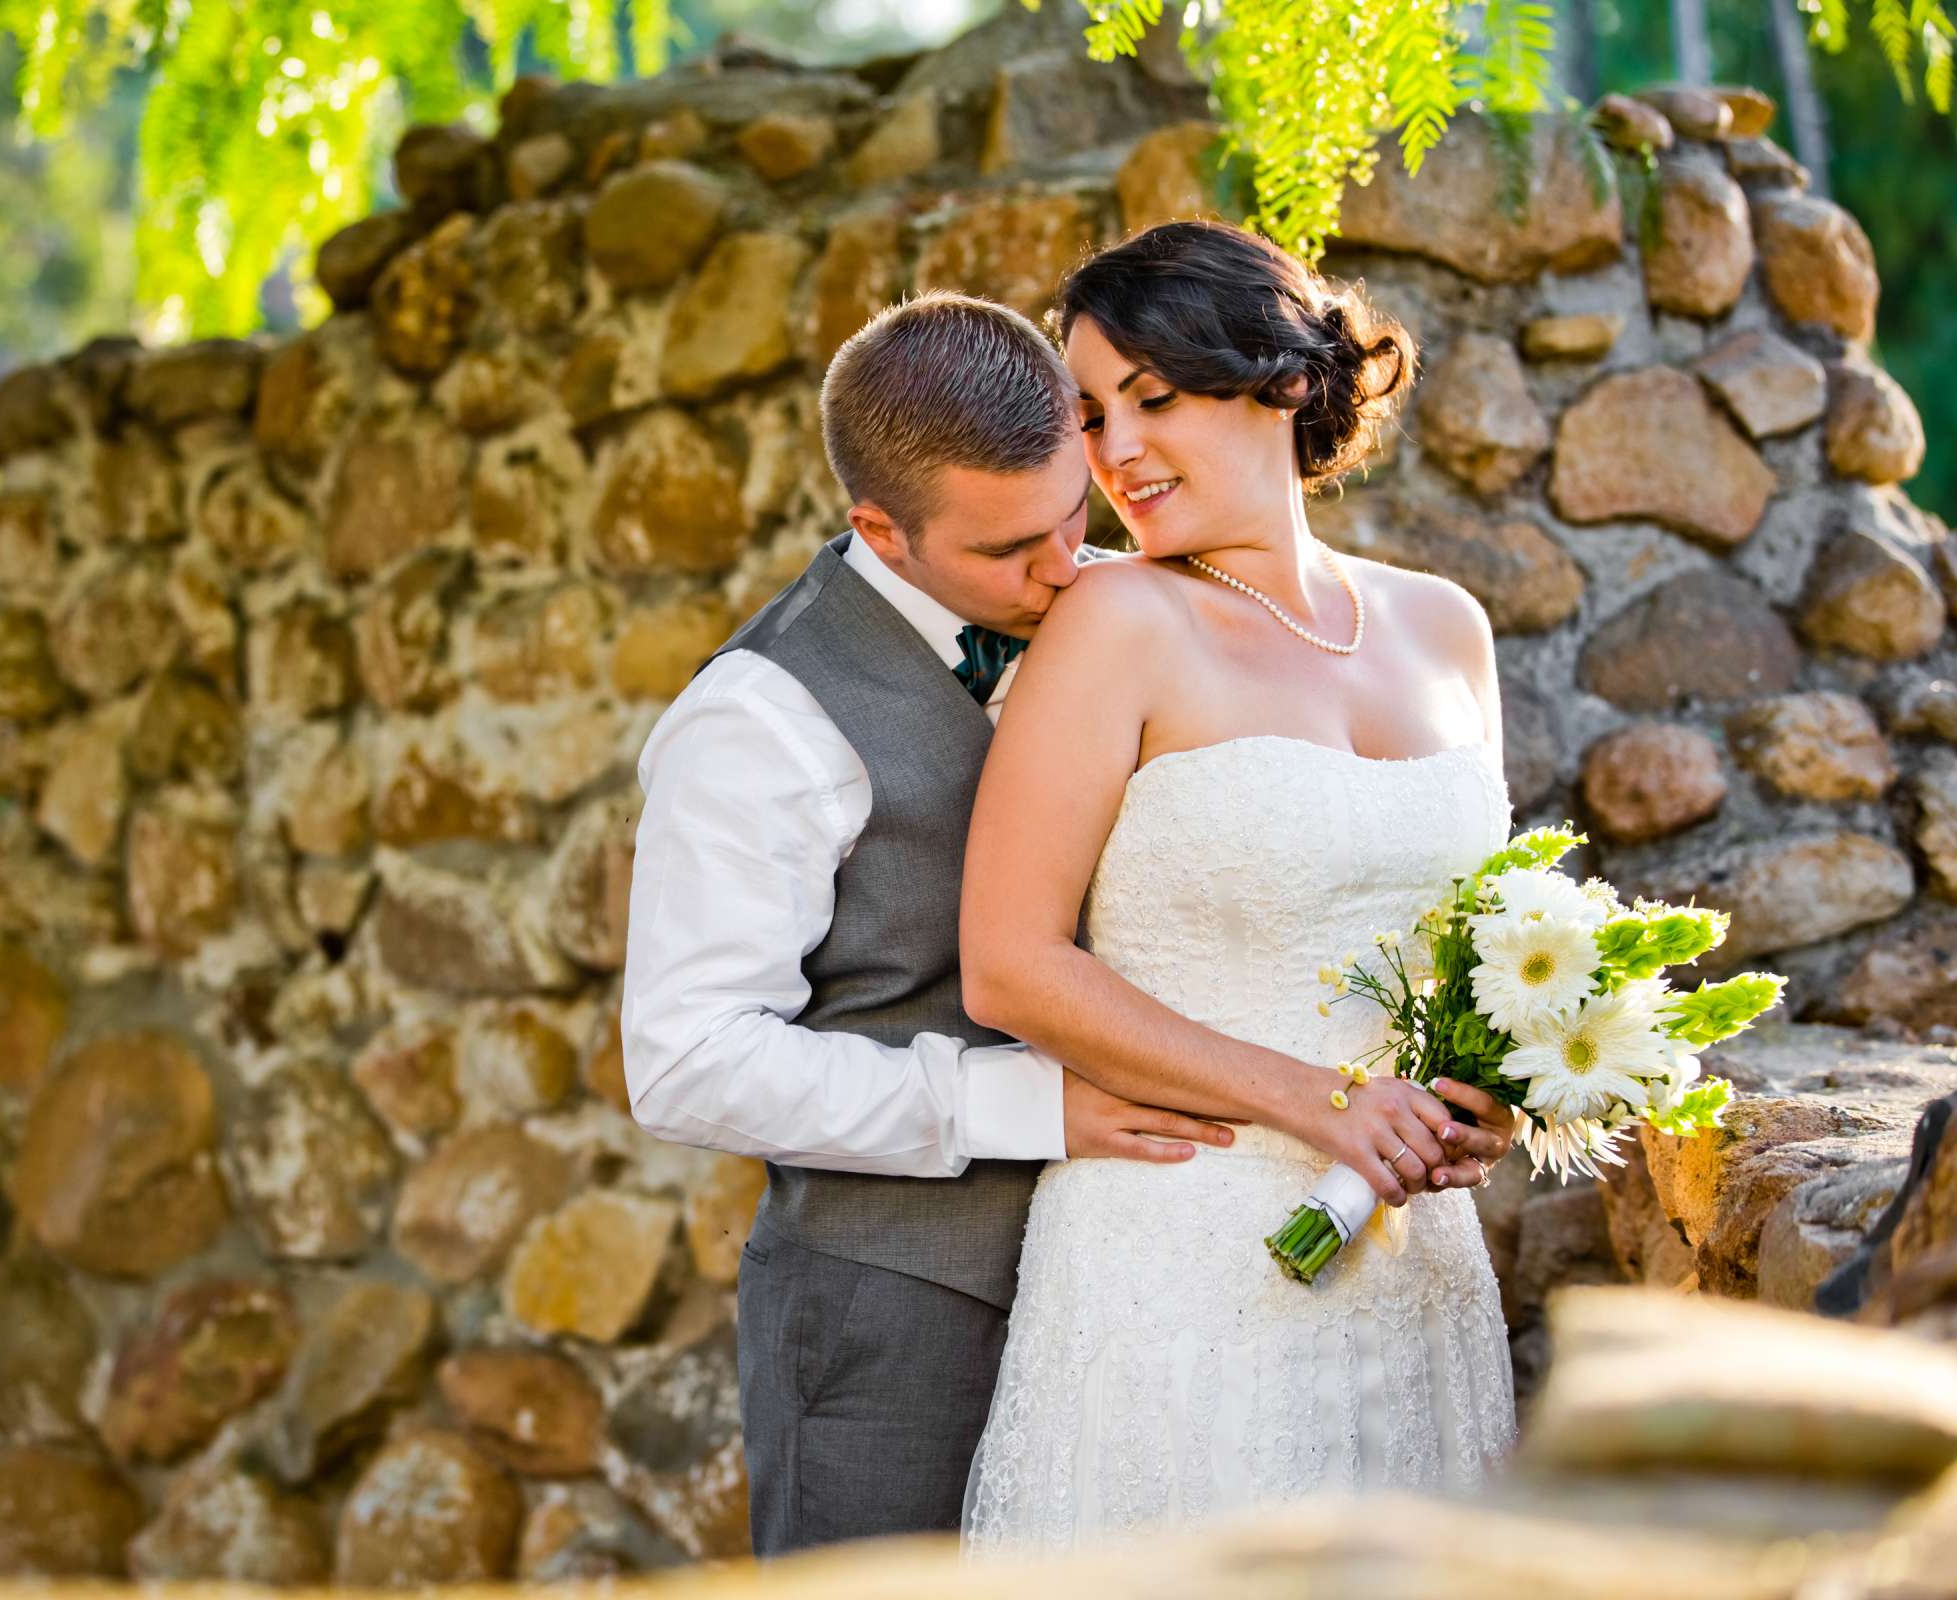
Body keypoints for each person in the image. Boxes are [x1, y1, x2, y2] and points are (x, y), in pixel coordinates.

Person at [621, 285, 1511, 1556]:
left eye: (1069, 515)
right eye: (1007, 554)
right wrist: (1020, 1104)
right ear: (880, 526)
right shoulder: (757, 721)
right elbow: (687, 1060)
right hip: (900, 1303)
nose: (1065, 569)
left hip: (1171, 1265)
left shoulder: (1121, 603)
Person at [956, 220, 1520, 1550]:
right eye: (1092, 419)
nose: (1118, 453)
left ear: (1278, 378)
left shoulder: (1446, 627)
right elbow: (1012, 963)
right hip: (1183, 1256)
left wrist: (1487, 1089)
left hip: (1415, 1256)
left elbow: (1484, 946)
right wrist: (1319, 1102)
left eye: (1152, 398)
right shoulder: (1118, 623)